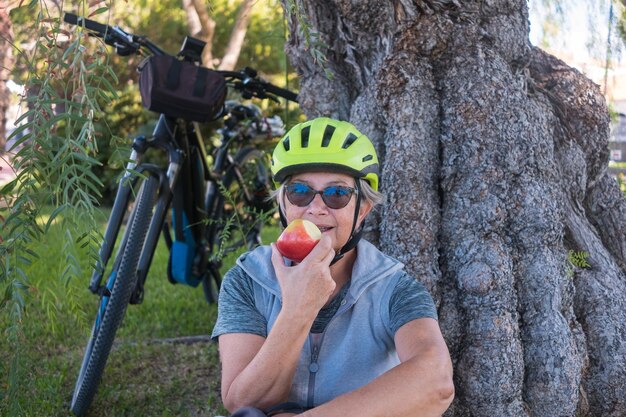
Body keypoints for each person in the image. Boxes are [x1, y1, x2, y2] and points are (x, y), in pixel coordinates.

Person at [211, 118, 454, 417]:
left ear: (362, 210)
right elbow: (243, 403)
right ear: (283, 205)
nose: (316, 208)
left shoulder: (393, 287)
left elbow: (437, 381)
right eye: (299, 191)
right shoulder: (247, 280)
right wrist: (299, 309)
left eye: (337, 194)